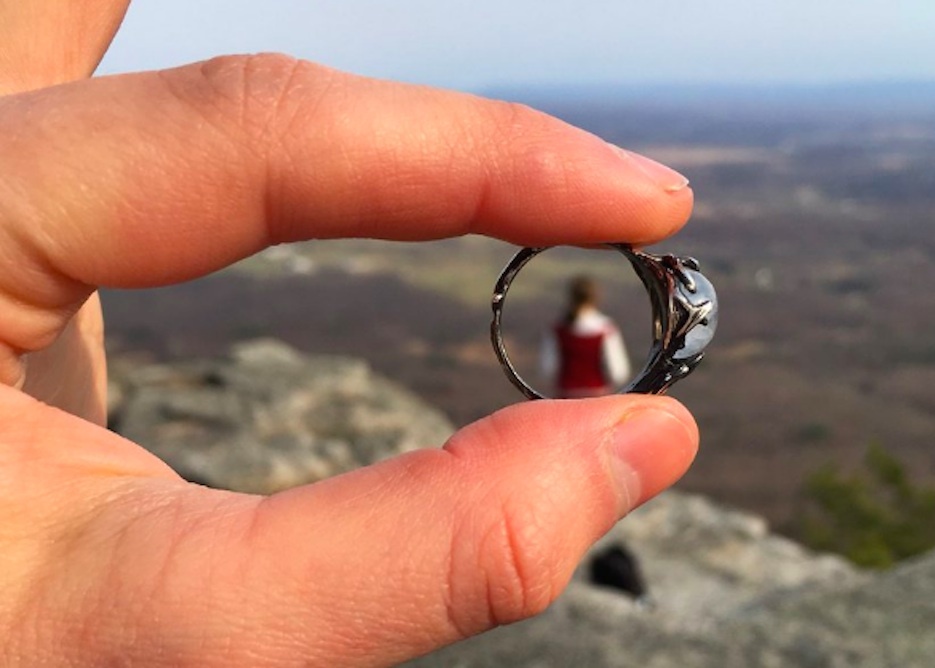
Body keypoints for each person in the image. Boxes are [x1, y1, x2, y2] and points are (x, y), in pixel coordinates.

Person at [0, 2, 698, 665]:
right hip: (597, 390)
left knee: (568, 450)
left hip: (575, 392)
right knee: (575, 452)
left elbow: (553, 355)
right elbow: (604, 355)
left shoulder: (569, 330)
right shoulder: (607, 329)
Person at [540, 276, 631, 397]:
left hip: (566, 397)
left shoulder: (558, 329)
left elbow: (548, 369)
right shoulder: (605, 328)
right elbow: (618, 371)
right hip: (597, 396)